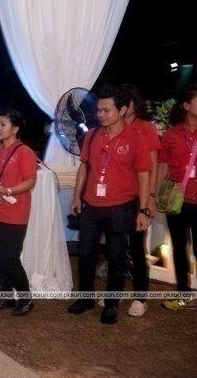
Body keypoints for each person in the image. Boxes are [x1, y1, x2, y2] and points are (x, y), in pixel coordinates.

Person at [67, 84, 151, 324]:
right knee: (85, 255)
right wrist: (76, 197)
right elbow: (84, 166)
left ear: (122, 110)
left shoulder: (136, 138)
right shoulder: (93, 135)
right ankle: (85, 298)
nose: (100, 115)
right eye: (99, 110)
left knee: (116, 257)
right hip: (92, 206)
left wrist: (144, 209)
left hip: (121, 207)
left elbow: (144, 174)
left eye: (106, 110)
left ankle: (112, 304)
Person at [0, 109, 37, 316]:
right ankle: (5, 295)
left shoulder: (24, 152)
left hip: (16, 213)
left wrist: (7, 191)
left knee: (9, 257)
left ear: (15, 129)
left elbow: (30, 181)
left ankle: (25, 297)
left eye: (3, 124)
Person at [121, 83, 161, 317]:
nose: (125, 106)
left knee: (137, 246)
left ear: (136, 103)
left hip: (140, 196)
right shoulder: (113, 127)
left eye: (128, 101)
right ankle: (115, 293)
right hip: (117, 196)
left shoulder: (146, 128)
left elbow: (154, 165)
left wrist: (151, 198)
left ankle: (140, 297)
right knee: (116, 247)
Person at [157, 84, 197, 310]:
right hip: (177, 200)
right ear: (186, 106)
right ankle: (184, 295)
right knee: (179, 248)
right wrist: (153, 194)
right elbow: (163, 166)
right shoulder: (171, 134)